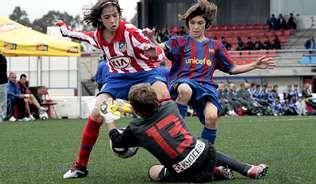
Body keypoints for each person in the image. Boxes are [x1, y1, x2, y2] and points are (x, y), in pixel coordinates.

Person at [56, 0, 171, 179]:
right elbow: (76, 35)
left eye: (115, 15)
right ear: (100, 19)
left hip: (145, 73)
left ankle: (176, 156)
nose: (113, 20)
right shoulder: (97, 36)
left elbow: (160, 54)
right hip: (117, 79)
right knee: (96, 113)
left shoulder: (131, 32)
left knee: (164, 97)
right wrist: (64, 29)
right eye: (107, 17)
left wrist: (152, 49)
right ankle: (80, 166)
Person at [144, 0, 276, 144]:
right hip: (184, 82)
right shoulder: (179, 41)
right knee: (185, 90)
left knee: (212, 117)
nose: (196, 26)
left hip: (206, 87)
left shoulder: (216, 46)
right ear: (187, 24)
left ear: (206, 24)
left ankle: (207, 153)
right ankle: (176, 130)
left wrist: (255, 65)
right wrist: (151, 39)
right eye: (192, 22)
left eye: (200, 23)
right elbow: (157, 49)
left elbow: (232, 69)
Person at [107, 83, 268, 183]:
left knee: (153, 171)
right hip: (207, 154)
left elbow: (117, 142)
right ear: (155, 100)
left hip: (189, 176)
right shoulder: (170, 105)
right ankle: (247, 169)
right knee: (200, 148)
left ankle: (216, 172)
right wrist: (134, 107)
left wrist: (109, 118)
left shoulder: (135, 129)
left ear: (135, 109)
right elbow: (152, 110)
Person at [0, 54, 8, 122]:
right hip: (2, 82)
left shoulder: (2, 58)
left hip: (2, 83)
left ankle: (2, 116)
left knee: (3, 101)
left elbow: (1, 67)